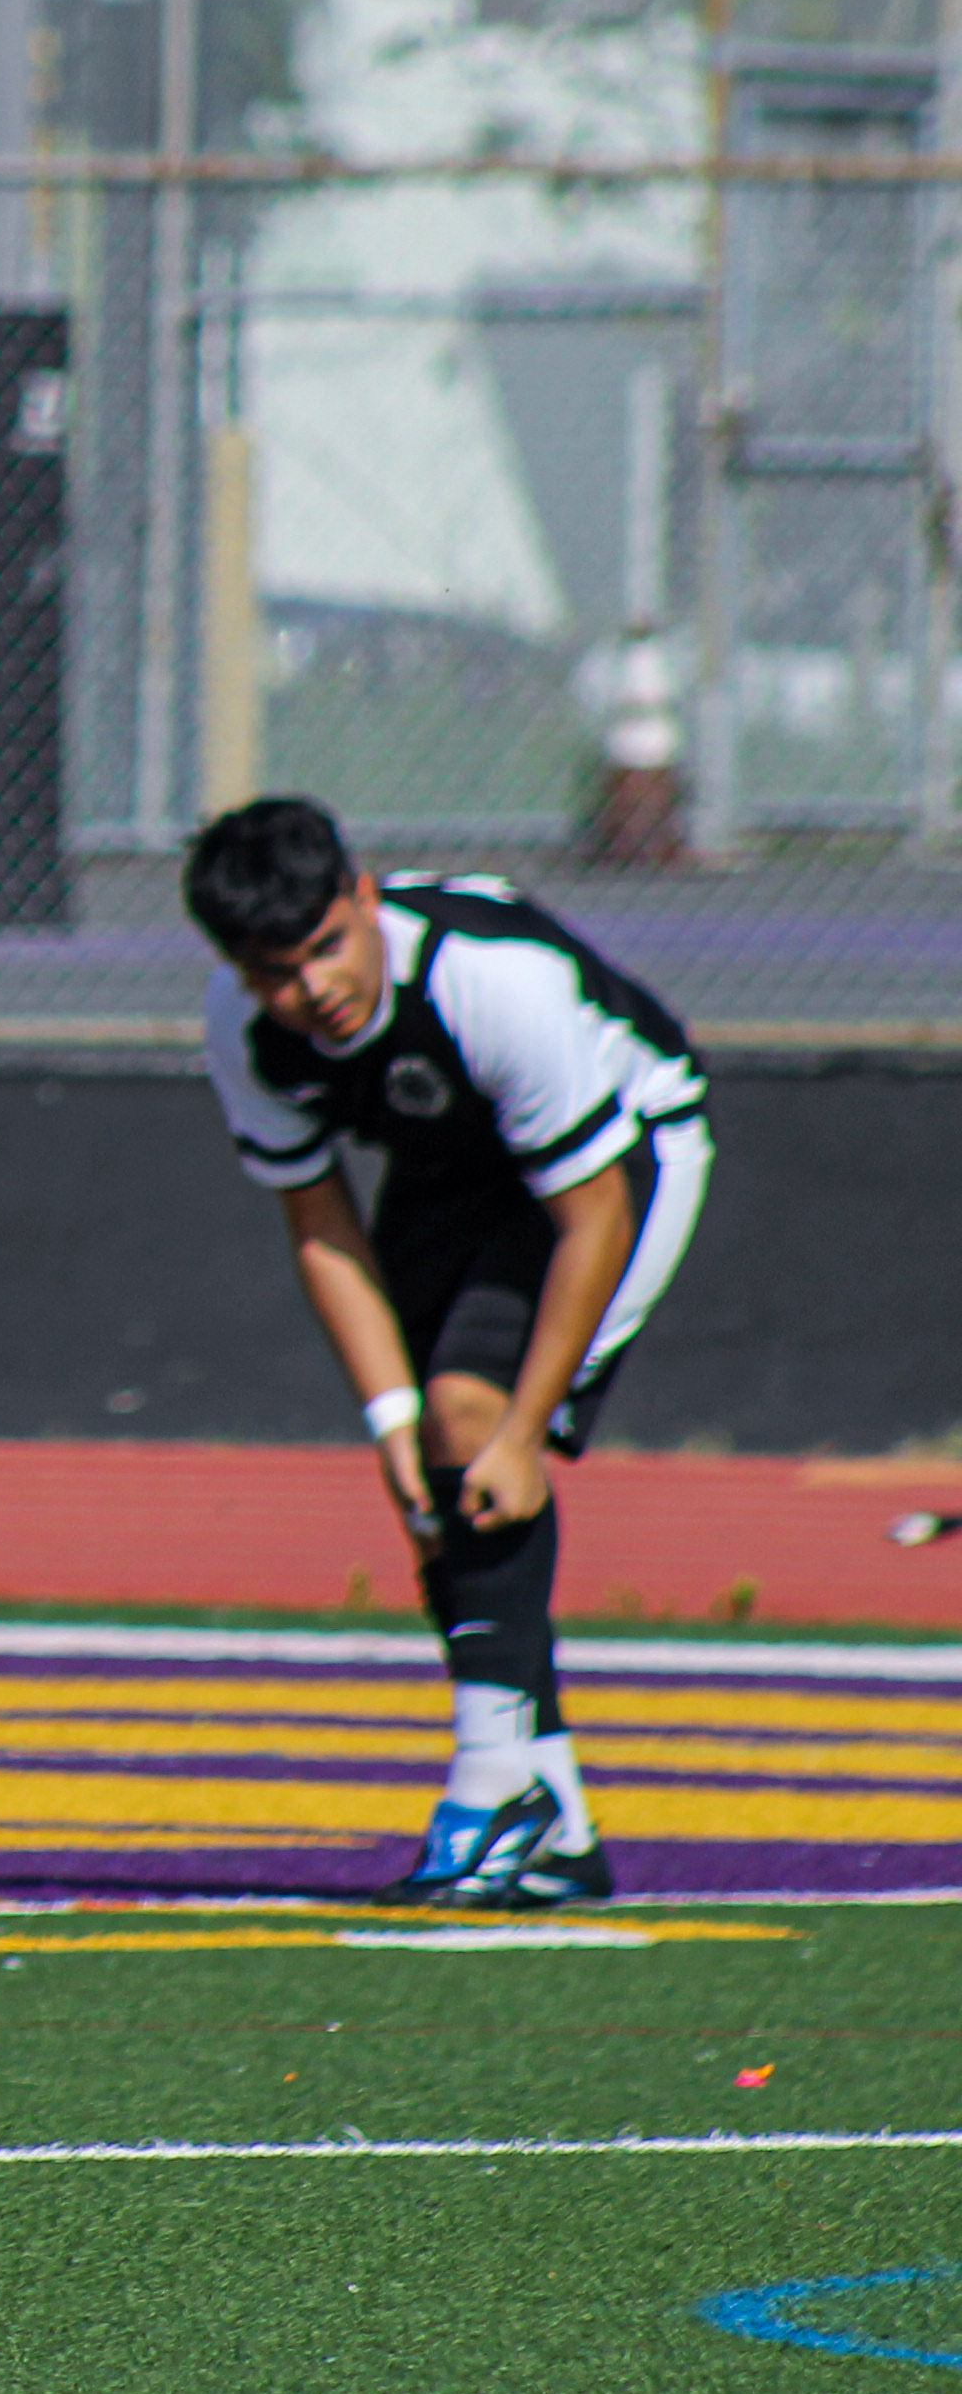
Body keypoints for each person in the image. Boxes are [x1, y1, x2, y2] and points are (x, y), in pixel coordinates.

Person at [186, 797, 712, 1910]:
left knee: (477, 1431)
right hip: (451, 1164)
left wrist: (528, 1428)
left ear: (365, 896)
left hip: (628, 1152)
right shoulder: (243, 1032)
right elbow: (321, 1226)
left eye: (328, 946)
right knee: (435, 1461)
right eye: (275, 971)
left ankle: (490, 1789)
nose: (312, 989)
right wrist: (385, 1415)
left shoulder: (492, 982)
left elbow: (593, 1215)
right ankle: (553, 1821)